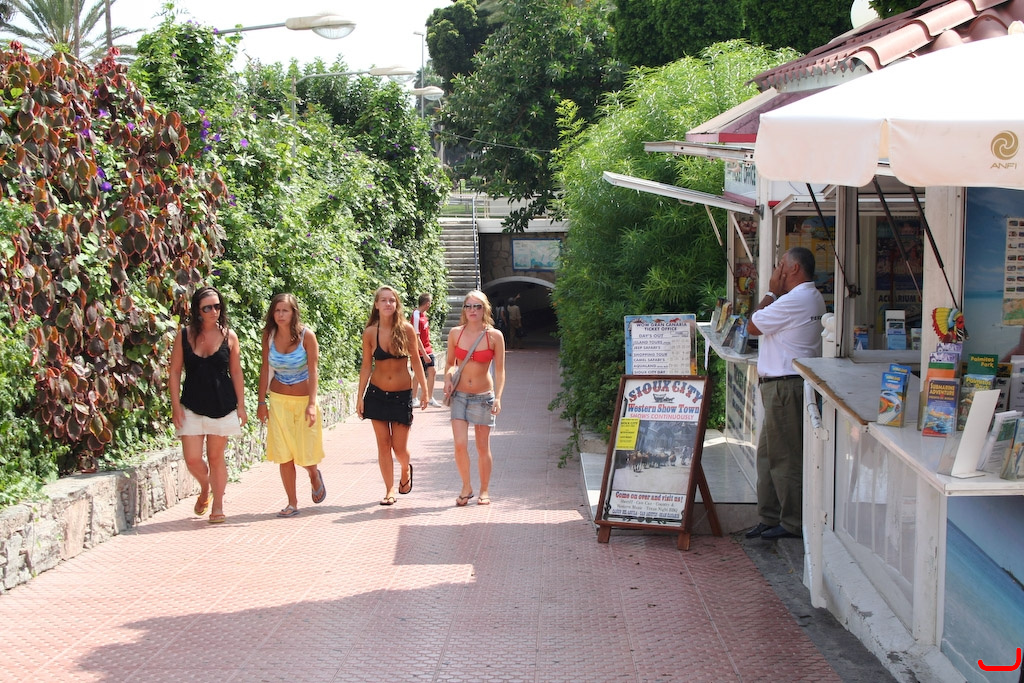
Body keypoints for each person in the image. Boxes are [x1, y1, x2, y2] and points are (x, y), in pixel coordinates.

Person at [744, 247, 825, 540]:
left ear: (794, 269)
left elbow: (752, 325)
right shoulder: (811, 297)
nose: (777, 270)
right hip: (784, 385)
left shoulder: (794, 300)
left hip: (785, 387)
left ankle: (792, 522)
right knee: (768, 455)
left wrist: (771, 292)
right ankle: (770, 516)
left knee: (785, 458)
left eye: (781, 265)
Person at [168, 286, 247, 524]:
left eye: (217, 306)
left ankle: (218, 505)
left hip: (222, 405)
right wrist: (175, 406)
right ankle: (205, 488)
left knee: (215, 457)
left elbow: (236, 372)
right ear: (197, 311)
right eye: (207, 308)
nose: (214, 311)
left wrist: (241, 405)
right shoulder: (184, 336)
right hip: (191, 404)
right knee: (192, 458)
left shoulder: (229, 336)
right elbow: (174, 372)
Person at [257, 293, 326, 518]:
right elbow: (265, 369)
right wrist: (261, 402)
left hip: (304, 401)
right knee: (284, 453)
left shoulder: (307, 336)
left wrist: (312, 404)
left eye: (285, 310)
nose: (280, 315)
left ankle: (314, 475)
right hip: (278, 401)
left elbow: (313, 371)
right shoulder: (269, 336)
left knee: (306, 453)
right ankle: (292, 503)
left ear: (293, 312)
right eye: (277, 311)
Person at [357, 286, 428, 505]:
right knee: (383, 444)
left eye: (392, 300)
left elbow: (416, 361)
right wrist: (360, 397)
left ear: (397, 305)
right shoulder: (370, 332)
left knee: (399, 448)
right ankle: (389, 490)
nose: (388, 304)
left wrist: (424, 390)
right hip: (376, 394)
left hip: (401, 395)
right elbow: (366, 366)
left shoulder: (406, 329)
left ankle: (405, 468)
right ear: (376, 305)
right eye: (384, 300)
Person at [444, 290, 506, 506]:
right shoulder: (455, 333)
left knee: (482, 447)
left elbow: (500, 370)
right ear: (464, 310)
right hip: (459, 396)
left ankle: (484, 490)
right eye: (468, 306)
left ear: (484, 309)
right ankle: (466, 486)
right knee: (460, 444)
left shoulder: (494, 336)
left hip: (483, 397)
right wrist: (448, 378)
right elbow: (450, 363)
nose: (472, 310)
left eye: (477, 306)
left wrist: (498, 397)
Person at [411, 293, 442, 408]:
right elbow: (416, 336)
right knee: (418, 374)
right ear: (427, 303)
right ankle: (414, 398)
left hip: (428, 348)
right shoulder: (416, 315)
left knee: (432, 371)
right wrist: (423, 353)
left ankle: (430, 397)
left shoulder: (424, 315)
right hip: (420, 350)